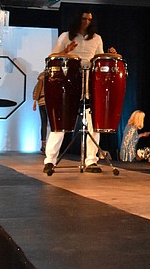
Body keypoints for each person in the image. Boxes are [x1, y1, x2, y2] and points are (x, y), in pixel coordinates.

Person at [43, 10, 118, 175]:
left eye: (90, 19)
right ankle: (50, 160)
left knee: (93, 123)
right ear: (78, 19)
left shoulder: (96, 38)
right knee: (61, 123)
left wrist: (110, 55)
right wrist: (66, 51)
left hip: (90, 81)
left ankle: (91, 160)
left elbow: (98, 59)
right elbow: (52, 57)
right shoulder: (65, 36)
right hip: (69, 81)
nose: (86, 22)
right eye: (84, 19)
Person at [32, 70, 47, 153]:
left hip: (42, 102)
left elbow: (37, 89)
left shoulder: (42, 75)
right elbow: (38, 89)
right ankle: (46, 145)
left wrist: (35, 101)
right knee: (50, 124)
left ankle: (43, 145)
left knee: (44, 123)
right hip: (49, 102)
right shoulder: (44, 76)